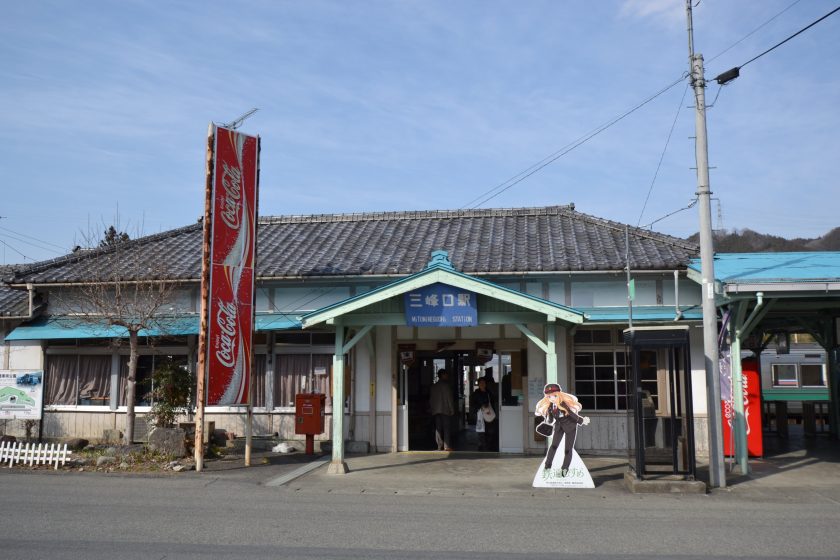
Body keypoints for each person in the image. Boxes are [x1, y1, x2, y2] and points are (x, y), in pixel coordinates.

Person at [535, 383, 590, 476]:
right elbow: (551, 419)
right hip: (559, 426)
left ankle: (564, 469)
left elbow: (572, 415)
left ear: (559, 395)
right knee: (553, 447)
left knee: (568, 449)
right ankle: (547, 467)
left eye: (554, 396)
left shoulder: (563, 404)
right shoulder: (550, 407)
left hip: (570, 426)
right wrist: (546, 421)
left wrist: (582, 420)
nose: (552, 398)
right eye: (549, 396)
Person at [429, 369, 456, 451]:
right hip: (445, 410)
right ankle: (446, 446)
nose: (447, 376)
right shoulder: (446, 386)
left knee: (438, 428)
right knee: (446, 428)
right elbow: (449, 399)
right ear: (443, 375)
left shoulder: (433, 386)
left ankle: (439, 445)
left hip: (436, 411)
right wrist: (452, 409)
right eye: (446, 375)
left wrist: (432, 409)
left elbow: (431, 399)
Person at [470, 377, 498, 451]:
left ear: (486, 384)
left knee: (490, 431)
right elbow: (472, 404)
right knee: (481, 431)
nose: (482, 384)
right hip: (480, 415)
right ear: (478, 384)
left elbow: (494, 401)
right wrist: (480, 406)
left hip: (489, 414)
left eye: (484, 383)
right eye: (481, 383)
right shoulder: (476, 393)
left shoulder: (489, 392)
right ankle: (482, 446)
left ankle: (488, 446)